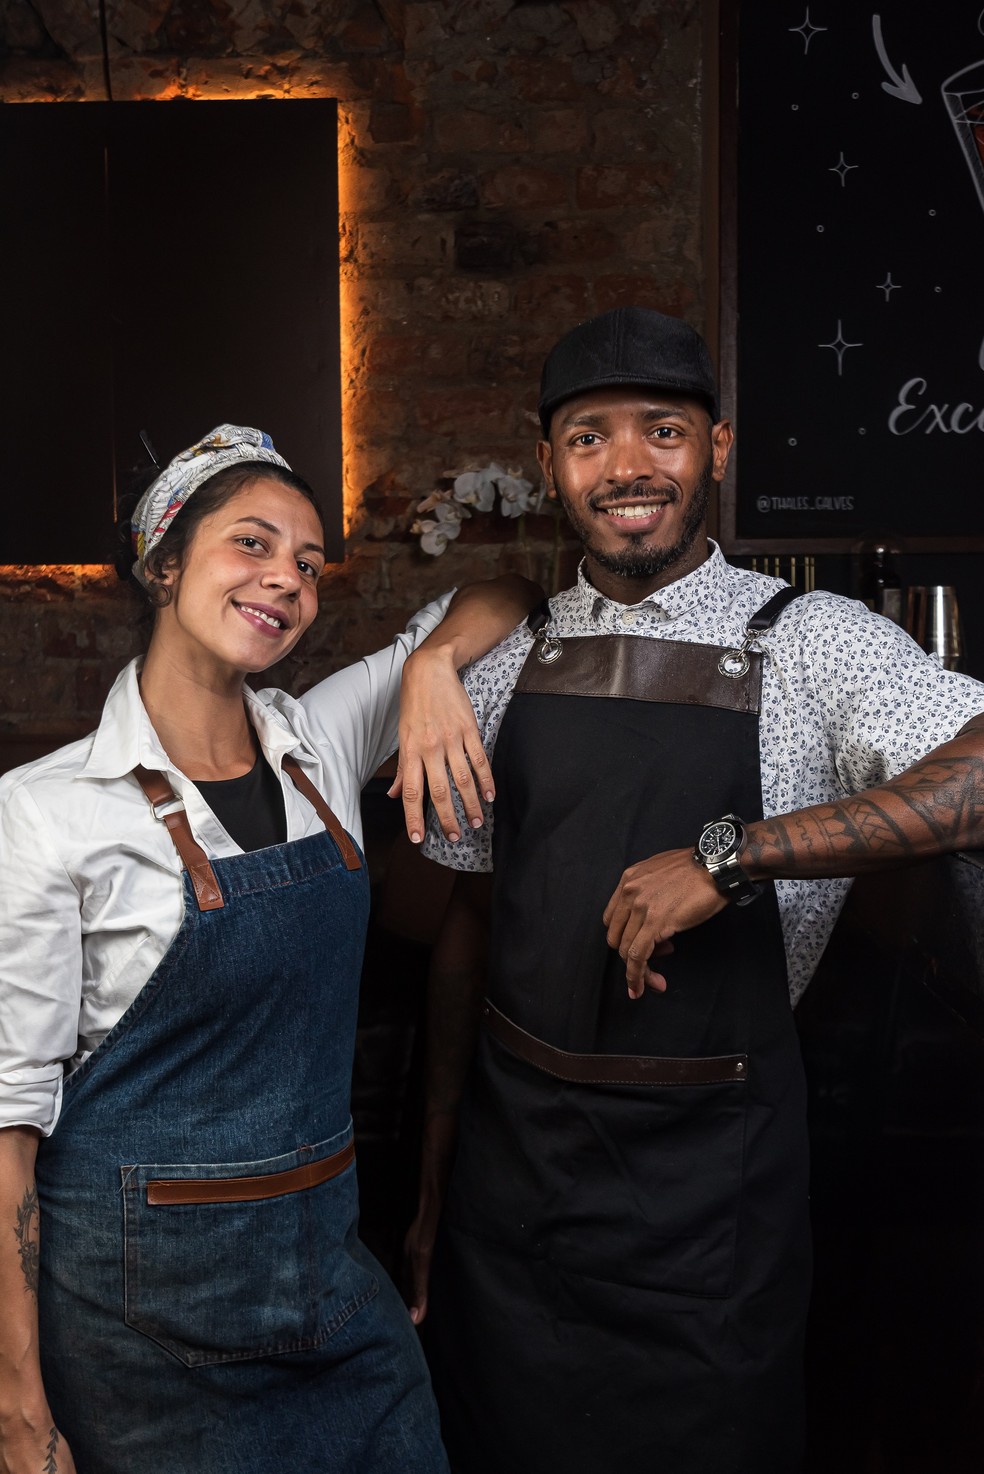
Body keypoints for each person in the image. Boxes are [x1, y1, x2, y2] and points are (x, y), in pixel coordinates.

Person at [403, 309, 984, 1474]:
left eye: (661, 431)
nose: (627, 466)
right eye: (588, 437)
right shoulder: (499, 654)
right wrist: (429, 1189)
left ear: (716, 449)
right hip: (512, 1197)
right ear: (551, 465)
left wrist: (733, 855)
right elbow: (467, 930)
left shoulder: (814, 639)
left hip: (710, 1206)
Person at [0, 424, 540, 1474]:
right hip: (138, 1335)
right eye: (251, 544)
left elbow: (510, 594)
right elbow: (5, 1130)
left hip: (331, 1291)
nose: (286, 580)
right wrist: (19, 1409)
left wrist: (428, 663)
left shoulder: (320, 743)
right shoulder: (43, 811)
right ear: (164, 563)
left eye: (306, 562)